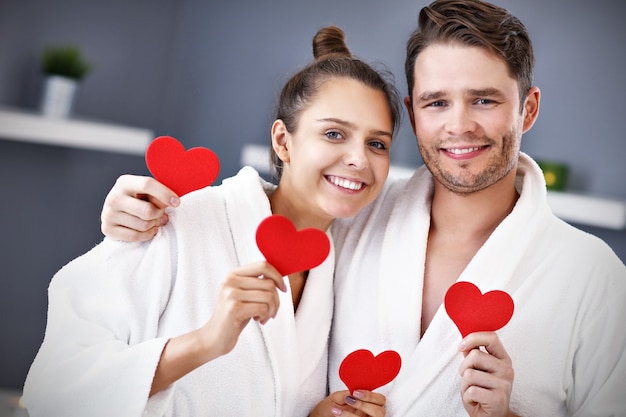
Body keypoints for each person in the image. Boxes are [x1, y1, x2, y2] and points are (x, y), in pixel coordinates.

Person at [97, 1, 626, 416]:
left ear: (527, 108)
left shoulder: (593, 277)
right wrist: (140, 212)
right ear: (412, 113)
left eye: (485, 100)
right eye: (437, 102)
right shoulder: (353, 221)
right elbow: (272, 212)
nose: (459, 124)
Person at [23, 26, 402, 417]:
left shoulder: (343, 266)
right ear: (283, 141)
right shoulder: (173, 221)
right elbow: (55, 387)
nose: (359, 159)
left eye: (377, 143)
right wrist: (207, 341)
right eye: (334, 133)